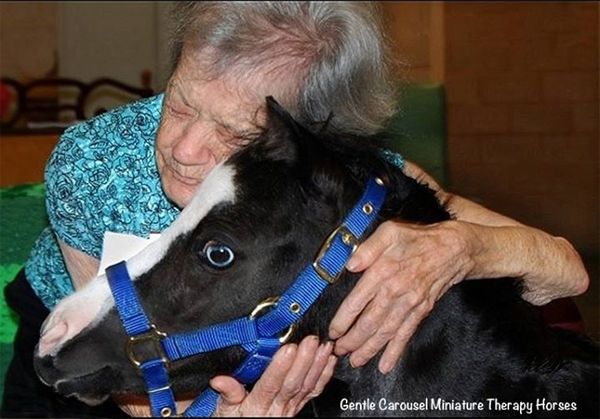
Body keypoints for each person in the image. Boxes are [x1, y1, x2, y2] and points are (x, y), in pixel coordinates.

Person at [2, 2, 589, 417]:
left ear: (304, 140)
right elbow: (130, 386)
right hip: (85, 358)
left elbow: (567, 270)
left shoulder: (341, 184)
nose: (182, 151)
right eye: (179, 104)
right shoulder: (93, 163)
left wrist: (464, 245)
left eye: (234, 133)